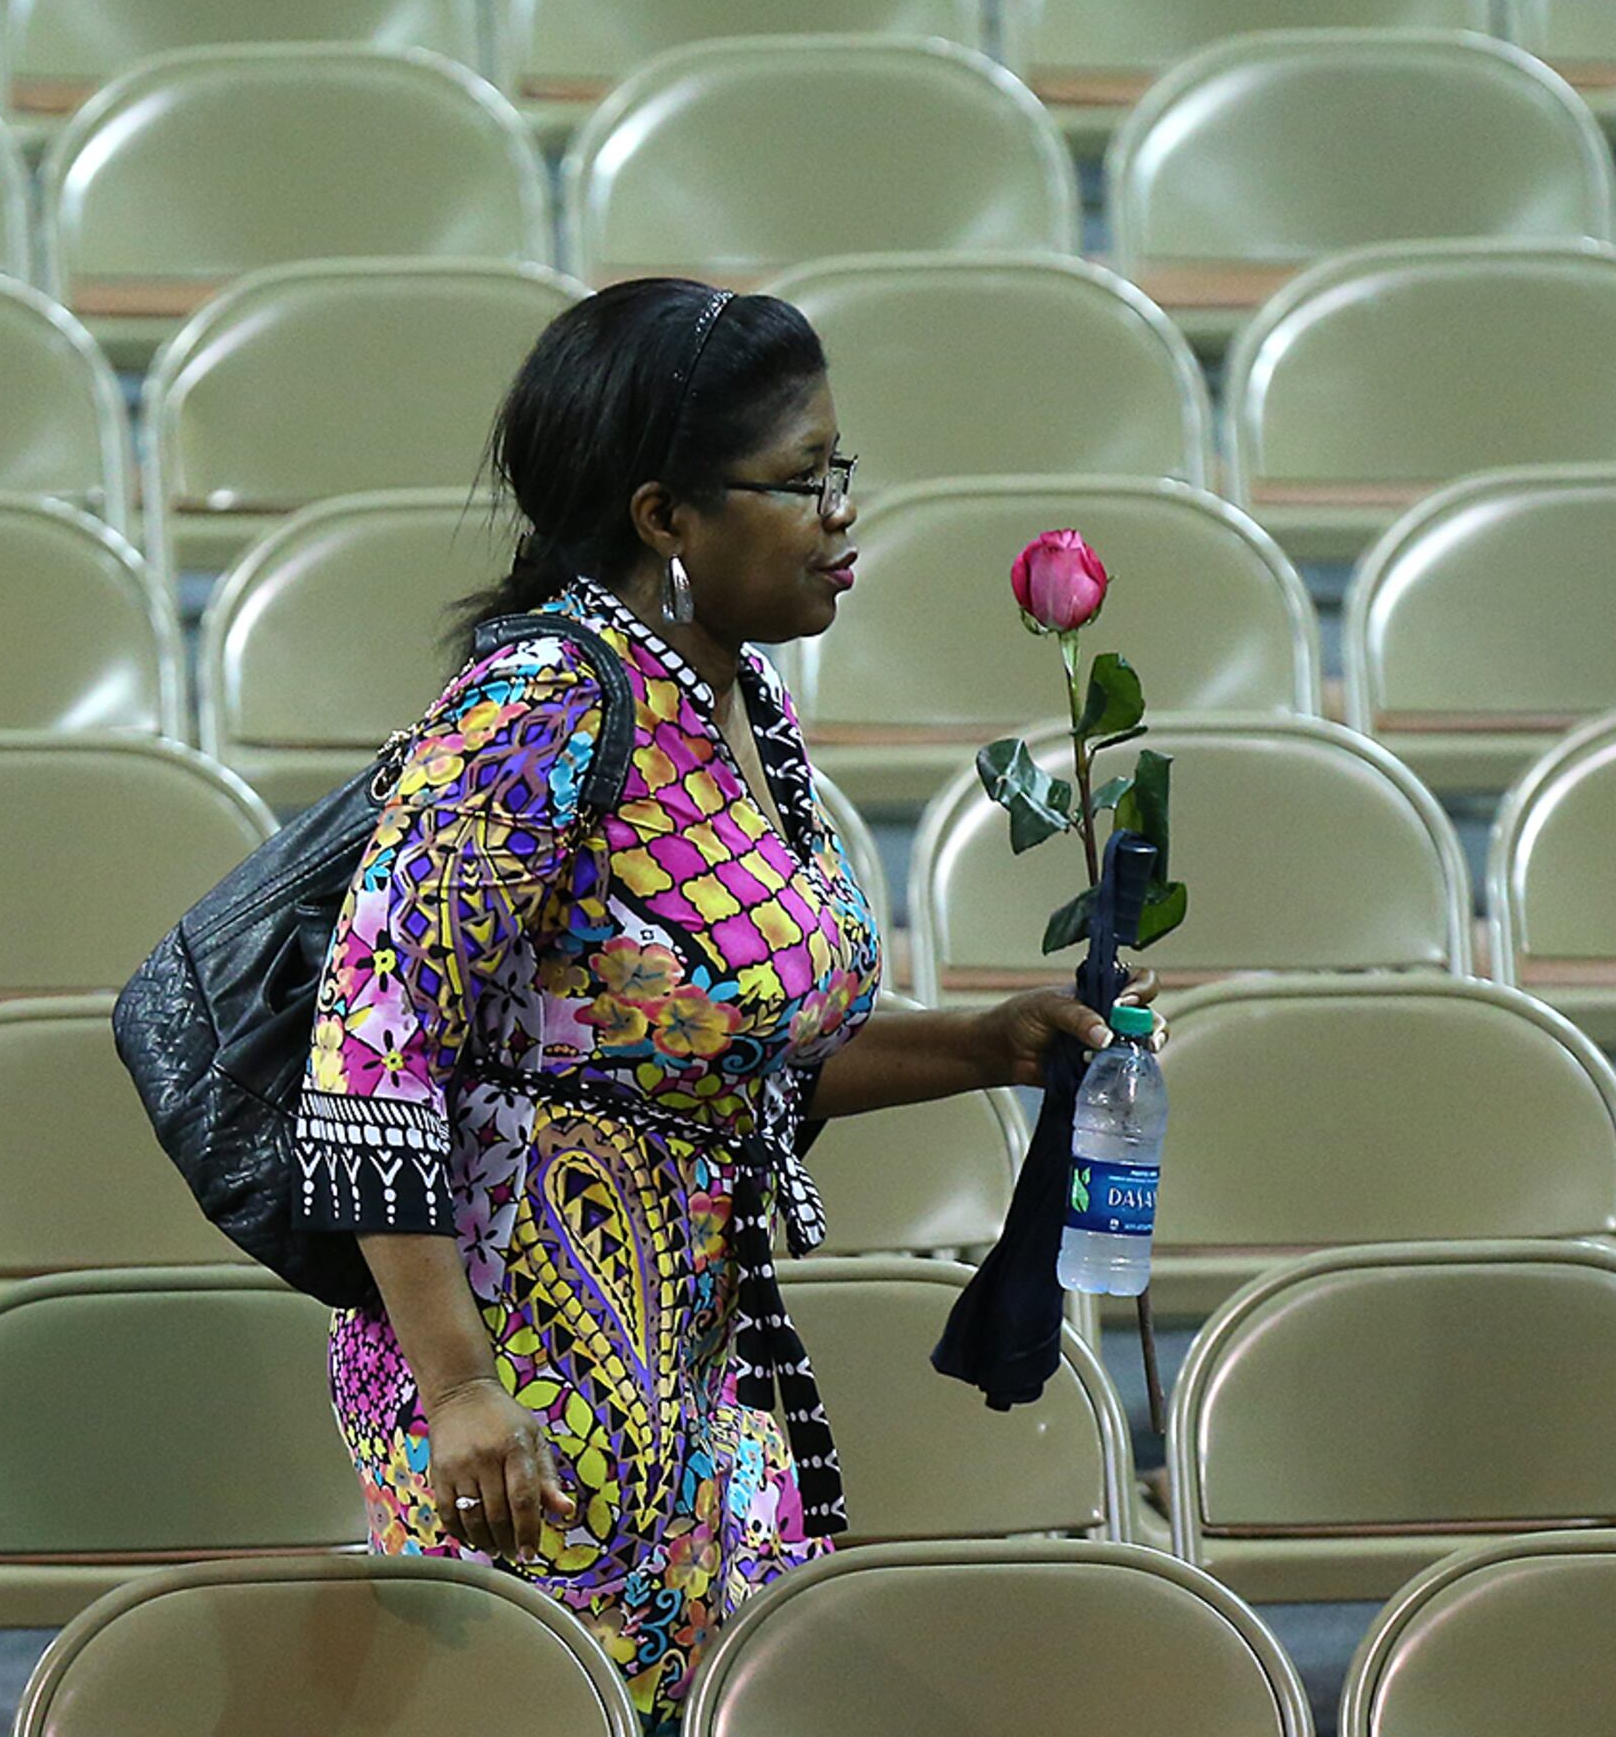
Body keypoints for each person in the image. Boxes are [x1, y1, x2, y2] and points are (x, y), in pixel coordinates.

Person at [290, 278, 1137, 1732]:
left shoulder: (735, 702)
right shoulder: (540, 709)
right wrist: (457, 1392)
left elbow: (707, 1056)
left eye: (840, 472)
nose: (842, 515)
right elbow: (371, 1049)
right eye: (802, 481)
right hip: (524, 1380)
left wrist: (985, 1047)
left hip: (700, 1353)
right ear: (664, 516)